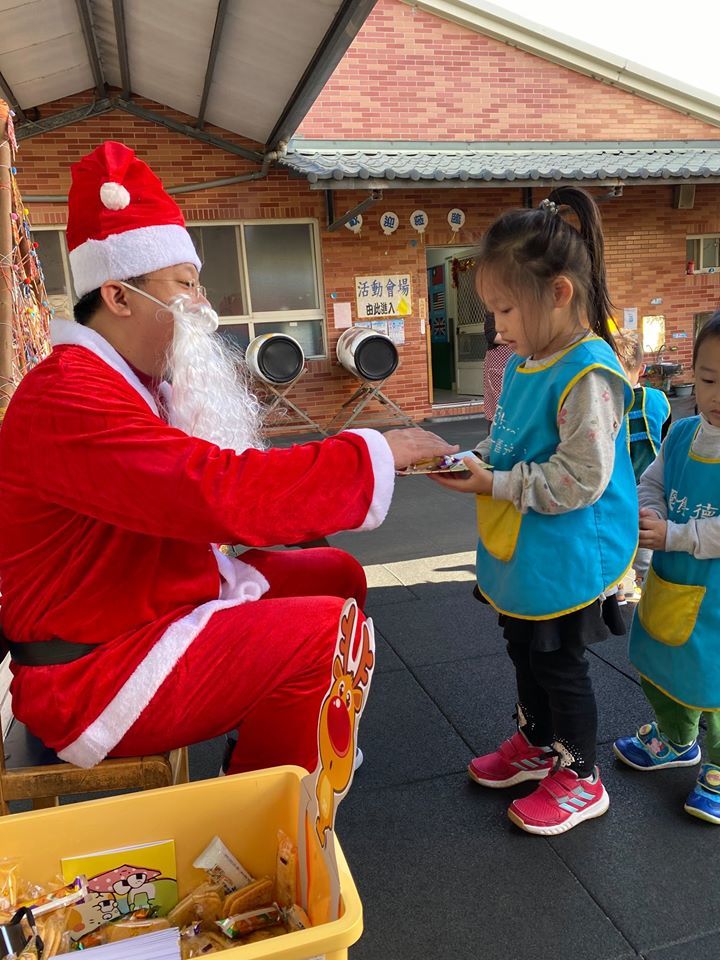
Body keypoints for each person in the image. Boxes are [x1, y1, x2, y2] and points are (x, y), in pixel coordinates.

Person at [0, 141, 456, 775]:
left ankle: (276, 749)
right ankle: (260, 819)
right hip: (92, 669)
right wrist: (374, 452)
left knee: (338, 575)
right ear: (119, 295)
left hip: (141, 608)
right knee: (324, 638)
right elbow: (215, 491)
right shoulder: (71, 396)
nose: (203, 307)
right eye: (184, 285)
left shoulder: (124, 380)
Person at [433, 187, 637, 835]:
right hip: (525, 549)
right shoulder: (527, 360)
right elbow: (510, 438)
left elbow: (581, 479)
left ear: (559, 293)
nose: (498, 327)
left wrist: (495, 483)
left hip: (567, 551)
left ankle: (581, 775)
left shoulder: (589, 374)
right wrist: (476, 459)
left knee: (558, 663)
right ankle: (539, 742)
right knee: (523, 649)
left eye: (505, 309)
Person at [613, 313, 720, 824]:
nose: (716, 393)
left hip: (715, 594)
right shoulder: (683, 433)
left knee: (715, 684)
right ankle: (677, 738)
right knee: (659, 663)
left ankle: (719, 765)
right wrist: (649, 508)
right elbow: (654, 478)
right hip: (675, 581)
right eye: (707, 380)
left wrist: (675, 534)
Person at [613, 330, 671, 600]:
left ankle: (622, 584)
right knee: (647, 531)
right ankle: (648, 583)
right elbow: (664, 430)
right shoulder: (658, 399)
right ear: (642, 369)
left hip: (617, 484)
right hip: (651, 483)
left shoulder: (608, 401)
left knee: (619, 534)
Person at [482, 311, 513, 424]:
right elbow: (492, 335)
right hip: (497, 364)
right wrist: (517, 338)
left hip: (519, 361)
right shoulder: (493, 312)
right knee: (497, 405)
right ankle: (493, 438)